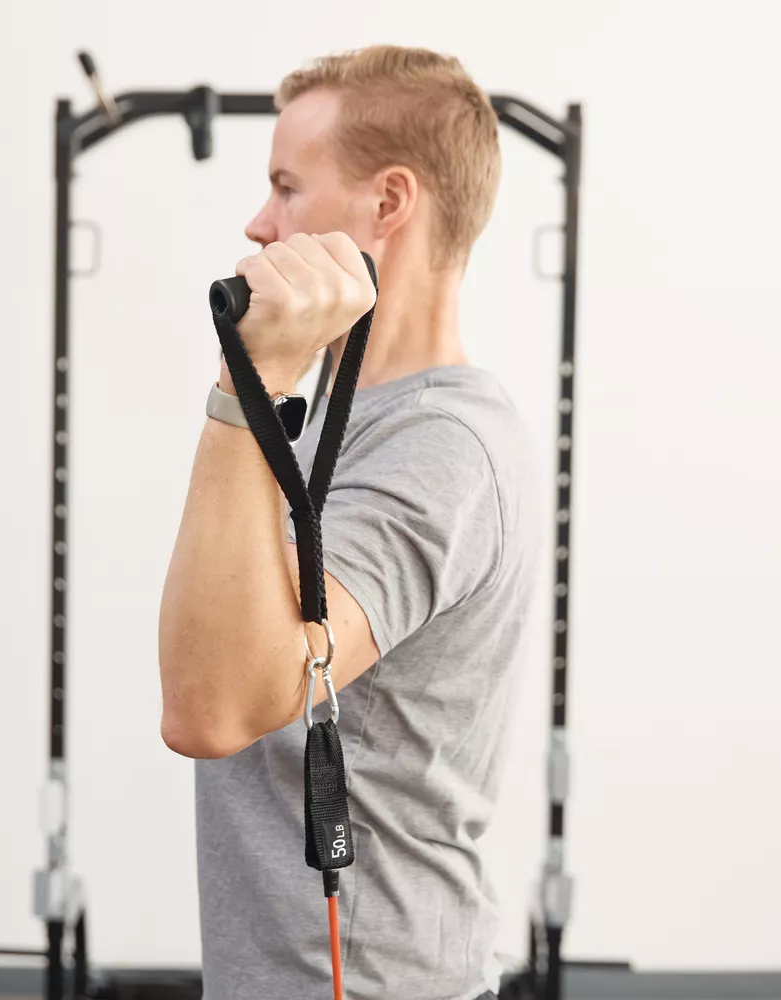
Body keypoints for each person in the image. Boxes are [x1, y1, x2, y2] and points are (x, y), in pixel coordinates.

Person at [158, 44, 541, 1000]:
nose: (258, 220)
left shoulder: (442, 450)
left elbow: (210, 706)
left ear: (388, 203)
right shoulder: (338, 402)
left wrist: (243, 385)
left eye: (287, 186)